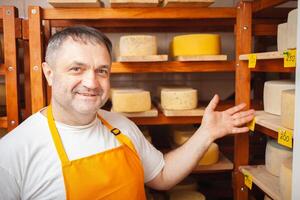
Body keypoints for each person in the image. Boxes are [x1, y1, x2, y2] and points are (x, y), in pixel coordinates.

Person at [0, 26, 254, 199]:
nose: (92, 82)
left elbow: (162, 176)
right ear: (48, 73)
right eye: (77, 69)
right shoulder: (13, 151)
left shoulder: (121, 125)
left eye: (101, 70)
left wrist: (206, 133)